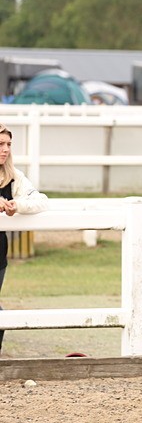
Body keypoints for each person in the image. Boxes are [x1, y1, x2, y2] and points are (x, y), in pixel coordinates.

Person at [0, 124, 49, 354]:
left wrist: (16, 205)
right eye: (0, 144)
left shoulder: (14, 177)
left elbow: (41, 201)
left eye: (8, 144)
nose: (6, 149)